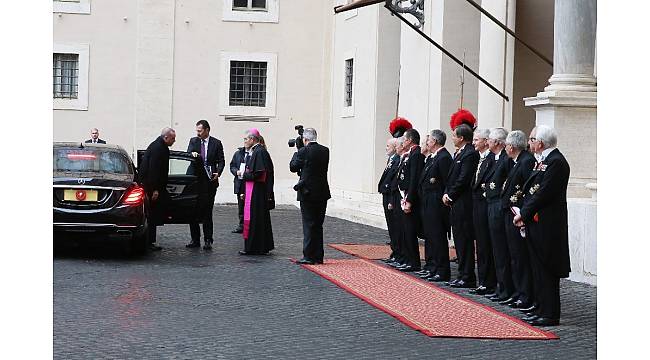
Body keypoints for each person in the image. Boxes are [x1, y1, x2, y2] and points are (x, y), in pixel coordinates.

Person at [514, 125, 570, 327]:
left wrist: (524, 213)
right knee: (537, 268)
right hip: (536, 222)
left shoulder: (556, 162)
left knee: (546, 268)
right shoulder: (544, 161)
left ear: (541, 142)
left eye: (531, 139)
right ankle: (540, 308)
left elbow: (543, 193)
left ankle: (550, 313)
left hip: (548, 225)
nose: (529, 142)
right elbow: (532, 191)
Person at [500, 130, 536, 309]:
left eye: (506, 144)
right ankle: (517, 291)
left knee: (520, 257)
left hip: (518, 214)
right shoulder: (515, 161)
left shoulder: (526, 161)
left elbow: (528, 189)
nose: (505, 148)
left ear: (512, 146)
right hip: (511, 212)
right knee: (514, 256)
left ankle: (525, 294)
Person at [443, 123, 479, 288]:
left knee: (464, 240)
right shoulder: (460, 153)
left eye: (454, 135)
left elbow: (463, 179)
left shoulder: (470, 154)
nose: (452, 138)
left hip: (463, 203)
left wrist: (450, 195)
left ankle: (467, 275)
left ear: (462, 138)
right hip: (456, 203)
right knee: (459, 239)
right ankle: (462, 273)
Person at [483, 127, 516, 303]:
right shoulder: (494, 158)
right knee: (496, 249)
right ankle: (500, 286)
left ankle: (506, 289)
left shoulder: (505, 159)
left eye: (489, 139)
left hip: (498, 205)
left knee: (502, 250)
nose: (487, 141)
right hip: (491, 204)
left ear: (497, 142)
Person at [415, 129, 453, 282]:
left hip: (437, 203)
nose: (427, 143)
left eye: (429, 140)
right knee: (430, 236)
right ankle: (431, 266)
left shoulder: (443, 157)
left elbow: (446, 182)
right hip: (428, 201)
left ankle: (442, 270)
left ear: (435, 142)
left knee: (438, 237)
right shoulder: (433, 157)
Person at [290, 128, 331, 265]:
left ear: (304, 139)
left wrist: (297, 151)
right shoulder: (325, 150)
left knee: (308, 224)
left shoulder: (303, 151)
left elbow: (293, 167)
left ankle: (308, 255)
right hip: (322, 192)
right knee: (318, 225)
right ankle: (318, 256)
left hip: (307, 192)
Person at [185, 120, 225, 250]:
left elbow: (221, 161)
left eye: (200, 131)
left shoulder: (216, 143)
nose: (198, 133)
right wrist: (192, 154)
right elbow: (188, 153)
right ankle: (195, 239)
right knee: (193, 210)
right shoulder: (194, 141)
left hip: (210, 181)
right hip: (196, 180)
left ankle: (208, 239)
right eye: (197, 130)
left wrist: (217, 173)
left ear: (207, 130)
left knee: (207, 210)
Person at [469, 128, 497, 295]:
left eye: (477, 140)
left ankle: (488, 282)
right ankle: (483, 281)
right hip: (477, 206)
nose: (474, 143)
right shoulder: (480, 159)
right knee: (481, 245)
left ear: (486, 141)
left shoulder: (492, 159)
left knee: (486, 245)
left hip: (486, 205)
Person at [238, 129, 275, 255]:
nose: (244, 141)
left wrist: (244, 175)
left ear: (252, 139)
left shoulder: (259, 152)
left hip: (257, 192)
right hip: (254, 191)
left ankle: (254, 247)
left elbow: (259, 173)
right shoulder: (257, 151)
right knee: (257, 219)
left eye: (246, 139)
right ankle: (258, 246)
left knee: (255, 219)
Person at [140, 127, 176, 251]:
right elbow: (154, 170)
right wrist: (155, 189)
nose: (174, 141)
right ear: (166, 137)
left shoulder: (158, 146)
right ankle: (150, 241)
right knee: (152, 215)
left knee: (153, 214)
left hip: (152, 186)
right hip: (152, 187)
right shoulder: (158, 148)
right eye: (173, 138)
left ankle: (151, 240)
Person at [393, 128, 424, 272]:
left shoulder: (416, 155)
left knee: (410, 231)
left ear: (410, 140)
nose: (403, 141)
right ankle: (408, 259)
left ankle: (414, 262)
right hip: (405, 196)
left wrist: (409, 199)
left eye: (405, 139)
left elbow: (413, 179)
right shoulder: (410, 154)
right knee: (406, 231)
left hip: (410, 198)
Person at [378, 138, 400, 248]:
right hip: (386, 193)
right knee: (390, 224)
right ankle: (395, 250)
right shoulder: (391, 159)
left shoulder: (397, 160)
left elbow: (394, 180)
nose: (386, 148)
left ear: (395, 147)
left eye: (388, 146)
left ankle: (397, 249)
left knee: (394, 225)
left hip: (391, 195)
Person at [229, 145, 248, 234]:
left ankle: (250, 224)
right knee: (241, 206)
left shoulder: (255, 153)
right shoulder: (238, 154)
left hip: (249, 182)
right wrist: (236, 172)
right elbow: (232, 165)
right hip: (240, 182)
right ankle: (241, 225)